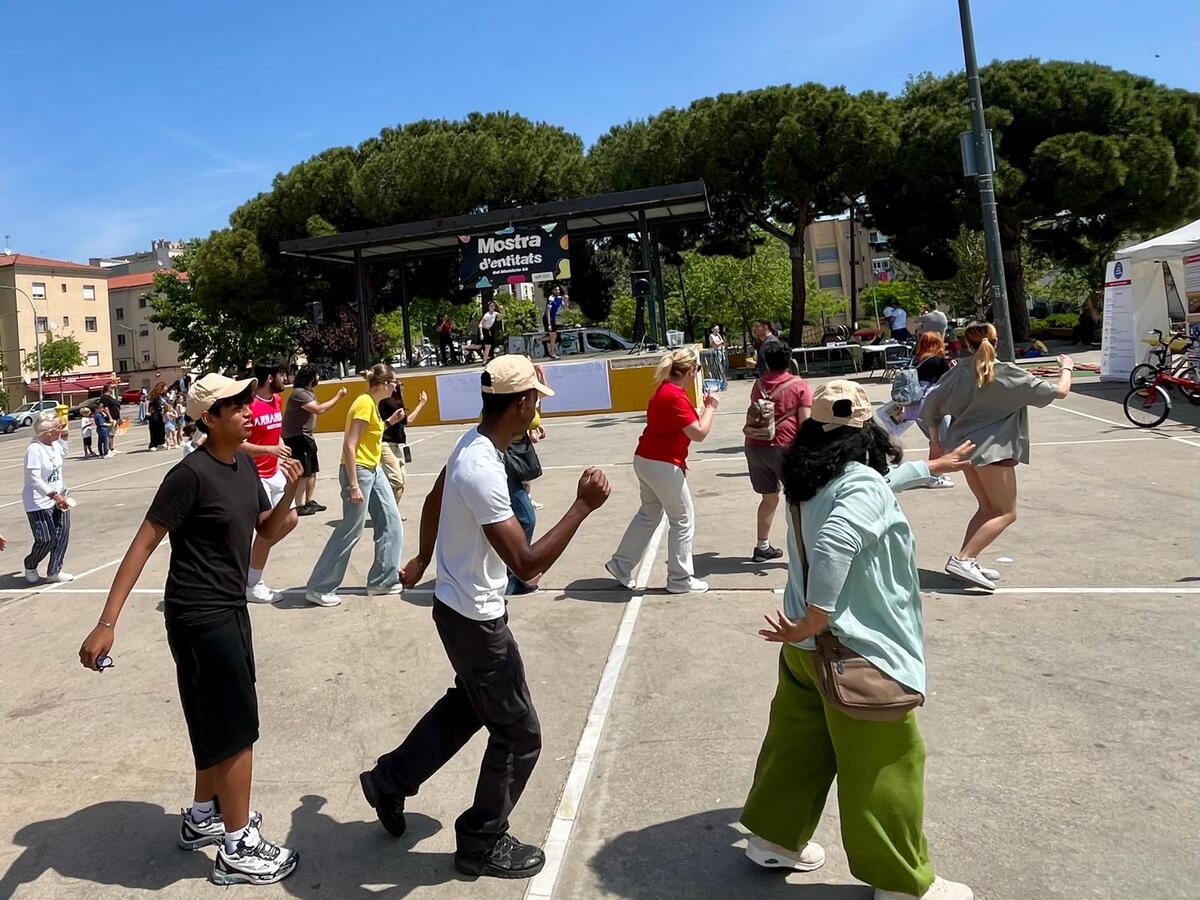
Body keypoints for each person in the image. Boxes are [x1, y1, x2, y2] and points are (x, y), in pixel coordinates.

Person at [359, 355, 610, 880]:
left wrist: (424, 559)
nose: (538, 407)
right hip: (475, 620)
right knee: (520, 734)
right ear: (520, 404)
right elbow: (527, 563)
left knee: (470, 707)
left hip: (457, 609)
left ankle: (390, 779)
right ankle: (480, 841)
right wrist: (582, 506)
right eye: (536, 399)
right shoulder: (482, 469)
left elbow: (431, 497)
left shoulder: (473, 446)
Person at [740, 379, 975, 900]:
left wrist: (933, 467)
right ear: (866, 428)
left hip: (804, 652)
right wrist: (818, 618)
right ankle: (900, 883)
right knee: (888, 765)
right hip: (856, 652)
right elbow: (838, 541)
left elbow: (874, 486)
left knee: (798, 747)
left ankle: (774, 841)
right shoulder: (858, 484)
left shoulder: (811, 477)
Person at [77, 373, 303, 887]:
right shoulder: (191, 474)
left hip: (230, 607)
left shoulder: (242, 465)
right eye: (235, 405)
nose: (249, 410)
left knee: (214, 721)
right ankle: (238, 844)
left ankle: (205, 816)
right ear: (209, 417)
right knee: (237, 729)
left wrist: (288, 495)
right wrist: (107, 622)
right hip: (199, 616)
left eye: (248, 401)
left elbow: (265, 530)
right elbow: (142, 544)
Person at [921, 322, 1074, 591]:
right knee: (1006, 512)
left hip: (965, 449)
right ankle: (963, 559)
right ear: (996, 341)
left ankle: (968, 559)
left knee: (987, 508)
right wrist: (1067, 368)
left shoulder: (958, 373)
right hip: (993, 451)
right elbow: (1059, 392)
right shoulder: (1007, 373)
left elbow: (930, 405)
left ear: (966, 343)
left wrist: (935, 442)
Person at [606, 347, 717, 594]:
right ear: (690, 370)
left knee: (648, 514)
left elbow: (685, 427)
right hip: (662, 463)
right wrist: (710, 407)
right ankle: (680, 578)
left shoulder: (664, 392)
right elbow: (698, 433)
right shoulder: (675, 396)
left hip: (646, 459)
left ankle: (621, 563)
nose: (696, 374)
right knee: (683, 520)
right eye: (696, 370)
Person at [304, 365, 407, 607]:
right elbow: (351, 445)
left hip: (373, 468)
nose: (396, 386)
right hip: (359, 471)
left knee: (391, 521)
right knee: (350, 530)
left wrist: (390, 421)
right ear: (383, 384)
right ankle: (319, 586)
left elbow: (373, 433)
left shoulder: (372, 405)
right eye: (394, 382)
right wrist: (352, 484)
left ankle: (383, 579)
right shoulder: (363, 403)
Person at [744, 343, 811, 562]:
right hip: (784, 446)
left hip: (755, 445)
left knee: (769, 497)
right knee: (799, 500)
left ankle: (762, 546)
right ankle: (803, 548)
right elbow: (805, 422)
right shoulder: (799, 385)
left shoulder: (759, 384)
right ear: (789, 360)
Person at [242, 363, 300, 604]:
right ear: (269, 377)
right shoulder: (249, 406)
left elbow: (274, 432)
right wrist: (270, 449)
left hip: (275, 471)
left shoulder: (276, 400)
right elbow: (238, 445)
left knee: (291, 519)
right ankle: (253, 583)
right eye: (282, 375)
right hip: (256, 477)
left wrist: (282, 449)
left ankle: (249, 562)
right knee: (266, 530)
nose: (285, 378)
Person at [281, 366, 348, 516]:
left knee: (312, 471)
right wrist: (339, 396)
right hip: (297, 437)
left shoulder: (308, 392)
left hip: (307, 437)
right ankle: (299, 505)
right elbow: (318, 409)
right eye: (316, 376)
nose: (318, 378)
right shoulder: (299, 393)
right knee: (303, 472)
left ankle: (309, 501)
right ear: (310, 378)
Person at [23, 411, 74, 584]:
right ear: (48, 432)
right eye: (58, 428)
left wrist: (65, 435)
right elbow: (34, 479)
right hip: (39, 501)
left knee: (62, 535)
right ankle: (30, 564)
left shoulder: (55, 444)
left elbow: (64, 452)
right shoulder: (34, 450)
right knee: (45, 539)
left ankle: (54, 572)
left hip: (60, 496)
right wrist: (53, 495)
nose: (61, 430)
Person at [912, 331, 956, 489]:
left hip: (918, 409)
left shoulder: (916, 361)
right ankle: (935, 475)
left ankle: (936, 474)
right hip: (935, 407)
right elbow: (950, 382)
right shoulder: (939, 361)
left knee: (934, 441)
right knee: (939, 442)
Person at [379, 383, 429, 507]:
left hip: (394, 445)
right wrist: (421, 404)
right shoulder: (390, 403)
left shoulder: (394, 403)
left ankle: (392, 511)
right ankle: (385, 510)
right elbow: (408, 420)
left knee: (401, 480)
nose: (403, 389)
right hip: (386, 444)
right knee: (396, 481)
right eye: (400, 386)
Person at [543, 286, 568, 359]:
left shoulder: (560, 298)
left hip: (553, 318)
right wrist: (549, 324)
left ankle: (539, 340)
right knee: (553, 336)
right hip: (547, 318)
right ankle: (552, 353)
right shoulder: (551, 298)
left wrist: (566, 301)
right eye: (556, 290)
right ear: (552, 290)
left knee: (554, 336)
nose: (558, 291)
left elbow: (565, 308)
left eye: (558, 290)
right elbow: (548, 311)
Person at [98, 387, 123, 455]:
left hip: (116, 417)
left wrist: (119, 418)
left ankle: (112, 448)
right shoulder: (104, 397)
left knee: (112, 434)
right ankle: (108, 449)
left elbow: (117, 407)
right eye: (111, 388)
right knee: (109, 434)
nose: (112, 389)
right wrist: (110, 418)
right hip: (110, 418)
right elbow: (105, 408)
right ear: (108, 389)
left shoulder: (111, 397)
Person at [148, 383, 168, 450]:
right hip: (155, 415)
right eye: (165, 387)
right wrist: (148, 412)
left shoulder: (163, 396)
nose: (166, 388)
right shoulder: (154, 396)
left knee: (161, 429)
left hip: (162, 415)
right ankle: (153, 444)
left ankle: (161, 443)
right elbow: (149, 404)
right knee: (154, 430)